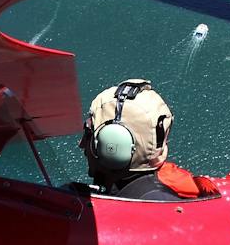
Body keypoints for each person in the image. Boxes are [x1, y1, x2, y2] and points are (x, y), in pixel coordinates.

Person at [80, 79, 216, 200]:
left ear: (115, 144)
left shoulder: (145, 214)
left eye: (88, 134)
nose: (81, 144)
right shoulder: (160, 197)